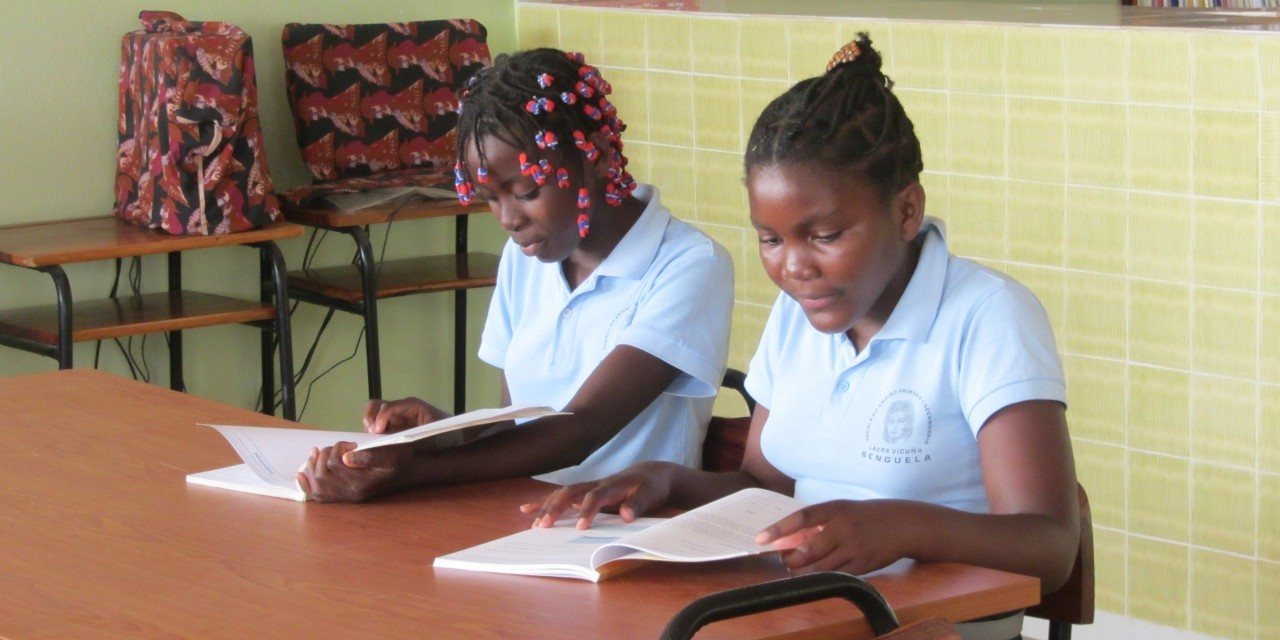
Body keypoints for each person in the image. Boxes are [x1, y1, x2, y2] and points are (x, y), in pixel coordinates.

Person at [524, 35, 1078, 640]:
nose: (793, 267)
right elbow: (765, 485)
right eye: (771, 239)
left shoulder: (989, 316)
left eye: (825, 234)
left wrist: (897, 527)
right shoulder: (800, 315)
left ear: (907, 211)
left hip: (934, 628)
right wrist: (667, 480)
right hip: (806, 615)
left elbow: (1049, 546)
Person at [298, 48, 734, 502]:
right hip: (520, 510)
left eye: (526, 191)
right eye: (489, 196)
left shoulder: (690, 266)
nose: (507, 218)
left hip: (625, 527)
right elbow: (517, 425)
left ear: (599, 156)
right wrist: (445, 432)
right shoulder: (526, 256)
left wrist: (413, 471)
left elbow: (582, 427)